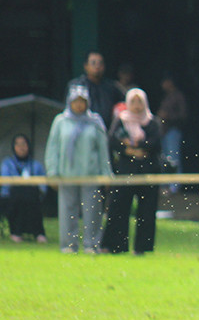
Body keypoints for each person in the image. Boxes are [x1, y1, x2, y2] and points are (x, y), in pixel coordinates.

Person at [44, 85, 113, 254]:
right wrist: (52, 172)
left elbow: (103, 149)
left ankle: (91, 244)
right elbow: (53, 148)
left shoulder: (95, 122)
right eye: (76, 102)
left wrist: (106, 173)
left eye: (82, 102)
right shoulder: (61, 121)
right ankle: (68, 245)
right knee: (67, 211)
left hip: (90, 174)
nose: (79, 105)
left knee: (92, 212)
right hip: (67, 174)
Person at [102, 88, 162, 255]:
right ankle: (115, 245)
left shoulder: (152, 122)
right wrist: (129, 151)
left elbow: (156, 143)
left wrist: (137, 147)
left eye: (139, 102)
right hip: (126, 170)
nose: (136, 106)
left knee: (147, 211)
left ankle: (142, 247)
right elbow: (112, 141)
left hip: (148, 172)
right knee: (118, 208)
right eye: (133, 102)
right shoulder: (121, 121)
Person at [1, 135, 48, 243]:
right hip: (11, 198)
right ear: (13, 147)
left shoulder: (36, 165)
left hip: (33, 199)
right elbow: (5, 186)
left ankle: (38, 233)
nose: (21, 147)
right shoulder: (7, 164)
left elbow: (42, 187)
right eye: (18, 144)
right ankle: (16, 232)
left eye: (24, 144)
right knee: (19, 195)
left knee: (29, 195)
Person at [66, 51, 123, 129]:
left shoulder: (112, 87)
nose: (97, 66)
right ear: (86, 66)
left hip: (107, 131)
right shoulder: (77, 85)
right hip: (81, 129)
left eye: (100, 63)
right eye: (93, 63)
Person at [157, 76, 187, 194]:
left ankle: (174, 186)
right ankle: (165, 186)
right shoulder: (166, 96)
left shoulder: (178, 96)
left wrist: (167, 116)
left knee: (174, 159)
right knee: (164, 159)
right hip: (164, 131)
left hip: (173, 131)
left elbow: (183, 115)